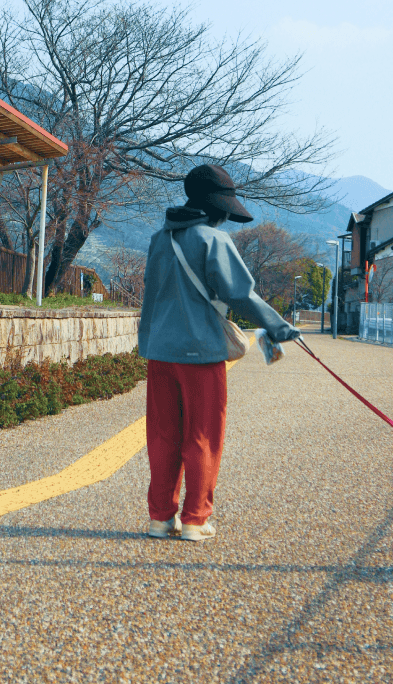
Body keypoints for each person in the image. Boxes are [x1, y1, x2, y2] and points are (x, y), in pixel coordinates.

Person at [138, 163, 300, 542]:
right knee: (203, 435)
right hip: (201, 354)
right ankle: (195, 519)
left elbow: (153, 291)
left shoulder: (158, 240)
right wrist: (278, 327)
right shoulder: (214, 241)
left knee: (163, 436)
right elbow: (240, 295)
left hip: (159, 352)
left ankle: (160, 519)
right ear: (217, 207)